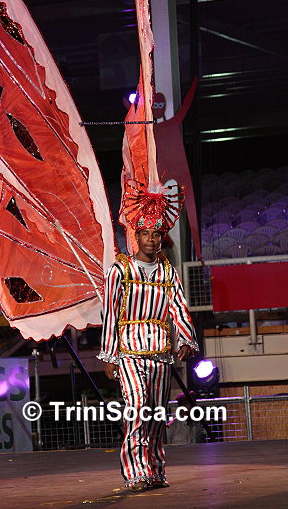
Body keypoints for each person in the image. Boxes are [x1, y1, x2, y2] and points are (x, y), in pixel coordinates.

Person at [98, 193, 199, 493]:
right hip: (129, 352)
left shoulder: (167, 271)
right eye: (146, 234)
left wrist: (186, 339)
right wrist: (109, 355)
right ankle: (135, 472)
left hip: (160, 352)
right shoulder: (120, 270)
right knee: (138, 408)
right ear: (136, 236)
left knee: (155, 414)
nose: (152, 240)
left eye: (157, 234)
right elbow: (110, 313)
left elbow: (178, 306)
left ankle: (154, 469)